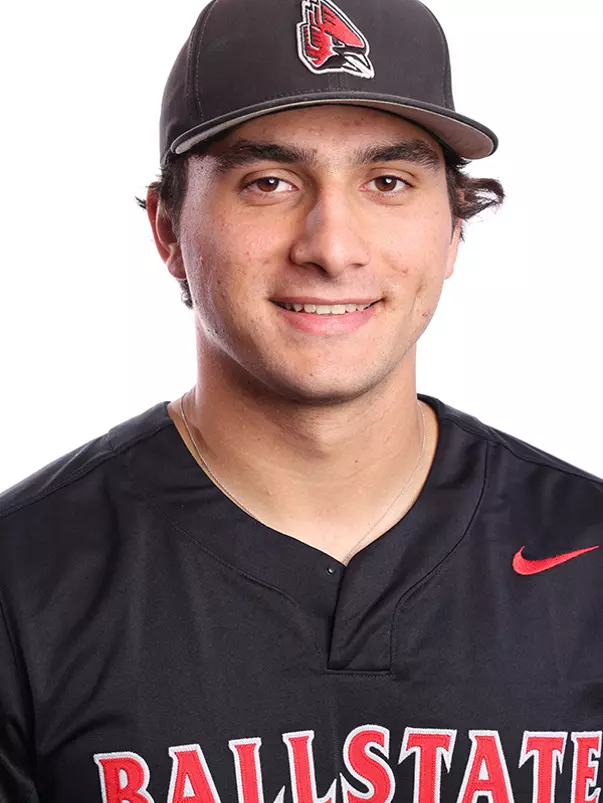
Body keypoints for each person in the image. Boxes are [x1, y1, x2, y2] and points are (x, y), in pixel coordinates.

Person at [1, 0, 602, 800]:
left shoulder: (586, 557)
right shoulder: (23, 583)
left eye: (387, 181)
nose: (331, 246)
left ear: (454, 229)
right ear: (168, 228)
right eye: (268, 182)